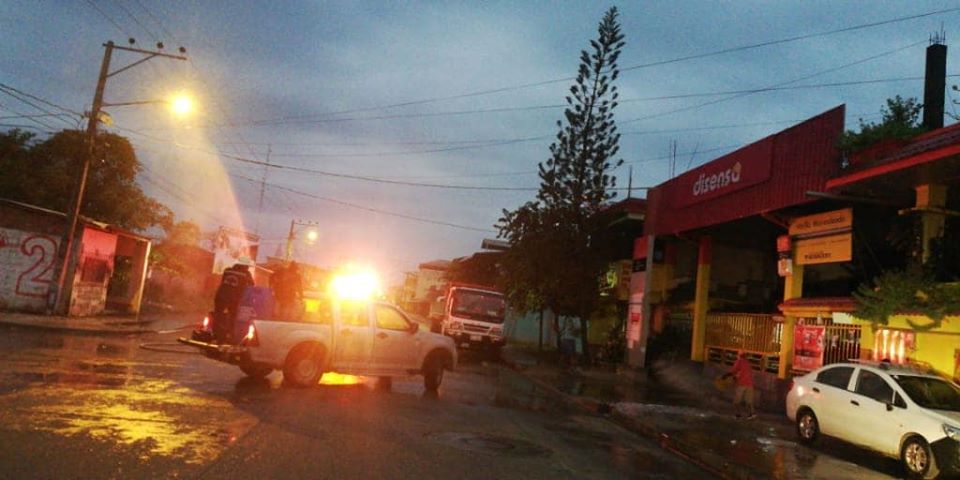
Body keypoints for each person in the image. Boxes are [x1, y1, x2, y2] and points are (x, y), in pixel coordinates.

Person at [213, 257, 255, 343]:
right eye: (247, 266)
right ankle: (230, 336)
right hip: (233, 298)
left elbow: (223, 281)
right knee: (232, 317)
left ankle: (217, 335)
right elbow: (252, 286)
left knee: (218, 316)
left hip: (220, 296)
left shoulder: (227, 270)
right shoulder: (246, 274)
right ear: (245, 266)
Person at [723, 350, 756, 419]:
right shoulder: (748, 362)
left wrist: (725, 376)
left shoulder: (739, 361)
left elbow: (733, 371)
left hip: (742, 383)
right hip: (750, 383)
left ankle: (738, 415)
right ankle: (752, 414)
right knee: (749, 401)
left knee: (736, 401)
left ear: (739, 355)